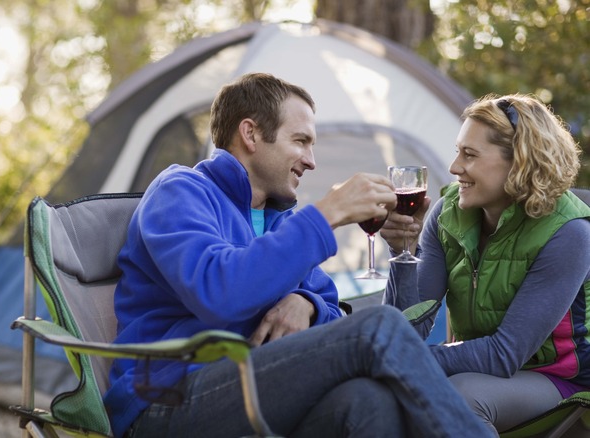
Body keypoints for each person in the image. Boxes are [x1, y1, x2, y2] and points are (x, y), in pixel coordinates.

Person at [104, 72, 493, 438]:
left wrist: (304, 302)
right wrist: (327, 214)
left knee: (367, 401)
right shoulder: (181, 191)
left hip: (248, 387)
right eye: (301, 141)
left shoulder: (276, 218)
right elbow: (218, 291)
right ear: (251, 134)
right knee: (379, 327)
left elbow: (331, 309)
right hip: (163, 398)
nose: (311, 160)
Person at [381, 93, 590, 434]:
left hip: (559, 376)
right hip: (474, 365)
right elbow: (409, 329)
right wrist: (403, 250)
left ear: (520, 161)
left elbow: (505, 353)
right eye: (457, 151)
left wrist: (402, 360)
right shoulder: (448, 214)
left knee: (461, 396)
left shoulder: (569, 233)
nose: (453, 168)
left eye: (470, 155)